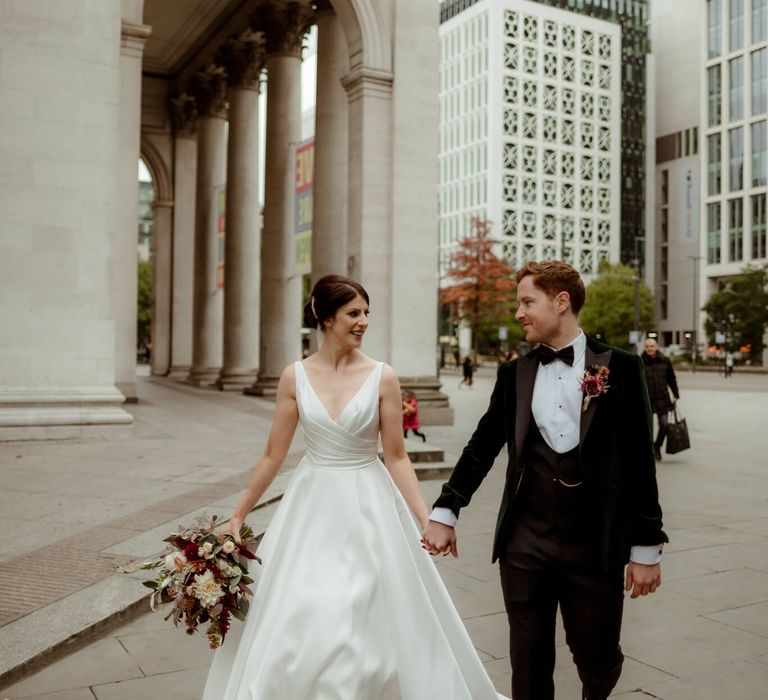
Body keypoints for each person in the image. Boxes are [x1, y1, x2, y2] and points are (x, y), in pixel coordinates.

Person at [203, 274, 505, 700]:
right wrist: (239, 513)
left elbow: (397, 456)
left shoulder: (383, 377)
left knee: (360, 609)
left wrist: (426, 519)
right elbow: (273, 454)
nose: (363, 322)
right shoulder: (294, 377)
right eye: (353, 313)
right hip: (310, 506)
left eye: (367, 313)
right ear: (326, 318)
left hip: (368, 505)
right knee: (305, 607)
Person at [422, 261, 667, 700]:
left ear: (561, 302)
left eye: (526, 301)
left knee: (597, 659)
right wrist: (446, 509)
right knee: (529, 661)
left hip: (595, 544)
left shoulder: (622, 369)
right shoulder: (514, 373)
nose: (518, 312)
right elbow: (481, 447)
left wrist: (647, 546)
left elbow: (639, 462)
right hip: (525, 541)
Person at [641, 338, 680, 461]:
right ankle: (649, 452)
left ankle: (657, 446)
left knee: (664, 425)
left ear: (657, 347)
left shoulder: (665, 361)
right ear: (644, 348)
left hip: (663, 398)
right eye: (647, 346)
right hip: (647, 399)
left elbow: (671, 378)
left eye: (652, 346)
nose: (649, 349)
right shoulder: (640, 362)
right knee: (648, 428)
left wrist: (676, 394)